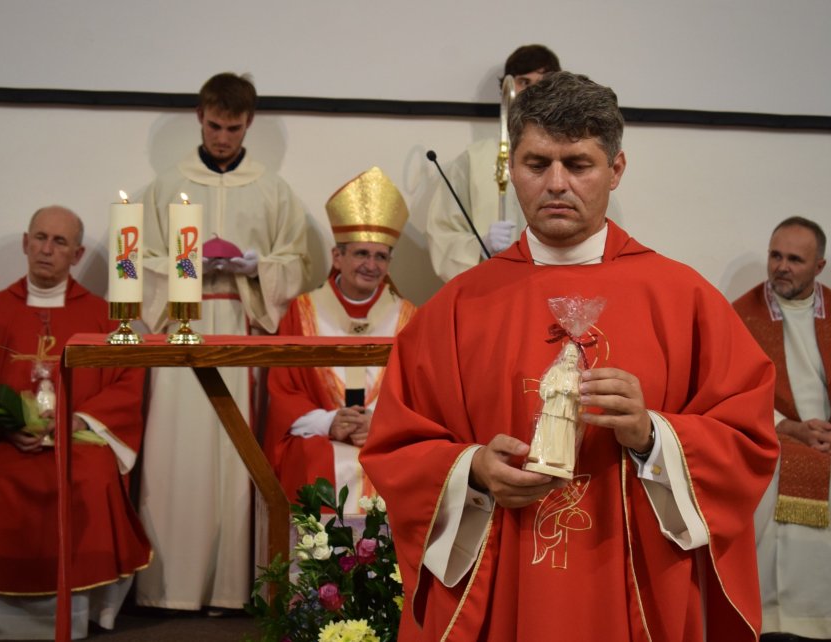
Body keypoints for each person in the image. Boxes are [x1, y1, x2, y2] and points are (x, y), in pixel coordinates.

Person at [360, 72, 780, 641]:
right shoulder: (458, 307)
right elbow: (397, 446)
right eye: (537, 164)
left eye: (578, 164)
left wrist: (652, 435)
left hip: (633, 580)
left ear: (616, 169)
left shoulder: (682, 298)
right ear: (513, 169)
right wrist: (474, 470)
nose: (557, 183)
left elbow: (748, 439)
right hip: (504, 575)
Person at [137, 72, 311, 611]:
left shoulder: (272, 189)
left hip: (241, 322)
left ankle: (234, 589)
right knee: (177, 452)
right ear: (199, 117)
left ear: (248, 124)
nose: (222, 138)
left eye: (233, 129)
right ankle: (172, 588)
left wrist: (255, 267)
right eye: (214, 126)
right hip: (181, 326)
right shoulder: (167, 186)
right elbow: (137, 262)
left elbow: (295, 262)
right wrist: (185, 266)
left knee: (238, 457)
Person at [0, 206, 150, 639]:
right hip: (3, 442)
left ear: (77, 254)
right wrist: (5, 425)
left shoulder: (106, 318)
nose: (46, 249)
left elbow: (127, 382)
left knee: (91, 476)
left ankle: (81, 612)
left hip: (77, 439)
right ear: (25, 243)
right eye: (40, 237)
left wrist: (77, 422)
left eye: (59, 241)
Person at [733, 216, 831, 639]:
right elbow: (733, 389)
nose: (781, 267)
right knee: (771, 476)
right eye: (775, 256)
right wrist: (789, 428)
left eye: (795, 259)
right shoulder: (740, 317)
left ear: (819, 266)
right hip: (777, 434)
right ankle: (778, 615)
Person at [265, 167, 416, 513]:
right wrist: (330, 422)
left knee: (406, 461)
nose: (371, 265)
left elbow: (420, 394)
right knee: (309, 456)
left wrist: (377, 423)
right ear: (338, 257)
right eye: (361, 253)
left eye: (380, 256)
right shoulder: (302, 312)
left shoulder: (409, 318)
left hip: (383, 438)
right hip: (321, 436)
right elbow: (284, 391)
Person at [426, 44, 561, 283]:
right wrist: (480, 245)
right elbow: (442, 232)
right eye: (524, 82)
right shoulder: (474, 160)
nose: (533, 91)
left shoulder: (571, 156)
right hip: (494, 286)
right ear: (506, 89)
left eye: (543, 82)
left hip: (554, 283)